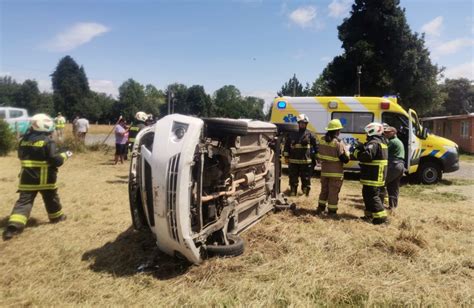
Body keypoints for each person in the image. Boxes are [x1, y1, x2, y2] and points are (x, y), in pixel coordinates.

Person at [3, 114, 72, 240]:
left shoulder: (23, 140)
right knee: (51, 199)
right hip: (45, 179)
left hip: (27, 179)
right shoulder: (48, 141)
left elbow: (21, 156)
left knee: (24, 202)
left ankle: (13, 227)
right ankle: (57, 217)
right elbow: (55, 161)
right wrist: (66, 154)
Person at [351, 122, 388, 225]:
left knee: (372, 196)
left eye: (367, 133)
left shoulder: (374, 143)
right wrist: (362, 147)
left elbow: (367, 156)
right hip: (375, 175)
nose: (366, 135)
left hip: (373, 175)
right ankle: (369, 215)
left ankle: (381, 218)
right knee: (368, 195)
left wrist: (356, 152)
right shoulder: (381, 142)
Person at [316, 119, 350, 215]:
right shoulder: (338, 142)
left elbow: (319, 154)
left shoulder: (322, 140)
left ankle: (320, 208)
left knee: (324, 191)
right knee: (333, 192)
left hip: (324, 171)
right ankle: (332, 212)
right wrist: (347, 152)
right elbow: (345, 159)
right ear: (337, 131)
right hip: (336, 172)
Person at [283, 114, 318, 196]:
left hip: (306, 162)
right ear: (298, 123)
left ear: (306, 124)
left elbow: (316, 147)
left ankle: (305, 193)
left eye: (304, 123)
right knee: (293, 178)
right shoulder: (292, 134)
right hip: (293, 161)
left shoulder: (310, 134)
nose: (302, 124)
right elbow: (286, 146)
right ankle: (293, 192)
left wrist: (317, 157)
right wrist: (286, 157)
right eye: (301, 123)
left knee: (306, 179)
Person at [381, 126, 405, 210]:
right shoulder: (398, 141)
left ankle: (379, 206)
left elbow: (382, 151)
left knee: (381, 183)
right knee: (393, 187)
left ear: (393, 133)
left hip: (394, 165)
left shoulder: (392, 142)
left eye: (387, 132)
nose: (385, 133)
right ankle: (393, 207)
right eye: (385, 132)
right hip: (400, 166)